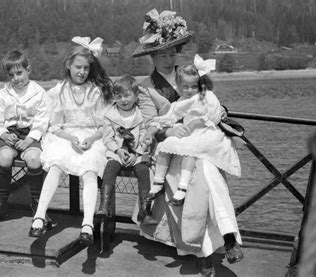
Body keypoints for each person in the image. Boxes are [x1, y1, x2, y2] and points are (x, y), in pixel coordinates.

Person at [133, 9, 243, 276]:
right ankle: (217, 245)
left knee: (207, 176)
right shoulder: (147, 87)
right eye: (162, 54)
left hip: (201, 143)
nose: (169, 59)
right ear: (152, 56)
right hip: (170, 149)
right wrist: (169, 134)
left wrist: (220, 114)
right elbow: (150, 123)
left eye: (172, 53)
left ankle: (217, 244)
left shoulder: (191, 75)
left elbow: (210, 103)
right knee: (203, 180)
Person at [29, 36, 113, 246]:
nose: (82, 72)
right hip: (66, 136)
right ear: (68, 65)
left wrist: (92, 139)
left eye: (86, 68)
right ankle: (39, 217)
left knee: (90, 169)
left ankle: (87, 224)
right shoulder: (58, 92)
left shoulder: (96, 90)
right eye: (78, 67)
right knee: (56, 164)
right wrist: (71, 138)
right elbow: (55, 125)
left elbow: (105, 124)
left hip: (93, 137)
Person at [144, 55, 241, 206]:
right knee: (165, 147)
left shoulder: (204, 96)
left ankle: (182, 188)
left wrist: (218, 112)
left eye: (193, 87)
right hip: (184, 133)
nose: (190, 90)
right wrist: (158, 129)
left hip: (204, 133)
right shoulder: (160, 91)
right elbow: (169, 116)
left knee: (191, 151)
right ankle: (158, 182)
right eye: (186, 87)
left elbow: (213, 112)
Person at [0, 50, 53, 227]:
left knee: (34, 159)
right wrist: (4, 133)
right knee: (5, 158)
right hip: (9, 133)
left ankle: (38, 208)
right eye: (11, 75)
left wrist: (29, 139)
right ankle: (0, 204)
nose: (16, 78)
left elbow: (43, 121)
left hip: (31, 133)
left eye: (19, 73)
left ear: (29, 70)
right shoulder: (4, 94)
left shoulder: (39, 93)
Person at [96, 75, 157, 224]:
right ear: (114, 97)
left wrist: (137, 153)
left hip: (136, 153)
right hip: (117, 153)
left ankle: (144, 210)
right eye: (119, 96)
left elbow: (144, 136)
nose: (124, 100)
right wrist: (117, 150)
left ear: (136, 96)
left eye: (127, 95)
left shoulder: (140, 115)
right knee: (109, 170)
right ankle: (104, 206)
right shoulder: (110, 116)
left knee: (143, 171)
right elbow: (107, 138)